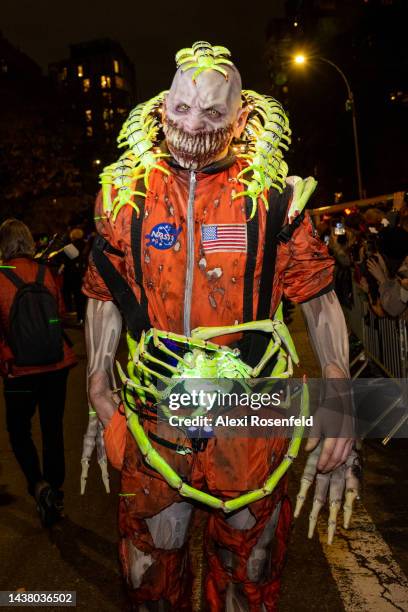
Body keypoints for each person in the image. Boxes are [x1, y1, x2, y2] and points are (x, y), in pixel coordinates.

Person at [82, 42, 358, 610]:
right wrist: (95, 382)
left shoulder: (275, 198)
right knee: (148, 575)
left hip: (251, 420)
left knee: (247, 574)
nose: (194, 125)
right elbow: (100, 290)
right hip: (154, 418)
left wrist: (340, 402)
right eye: (182, 108)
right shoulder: (125, 197)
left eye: (213, 112)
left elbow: (320, 298)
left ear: (243, 115)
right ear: (162, 108)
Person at [0, 219, 77, 527]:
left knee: (19, 431)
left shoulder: (2, 277)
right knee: (52, 428)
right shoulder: (45, 274)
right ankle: (55, 491)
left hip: (20, 371)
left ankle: (38, 484)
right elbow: (58, 314)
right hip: (56, 366)